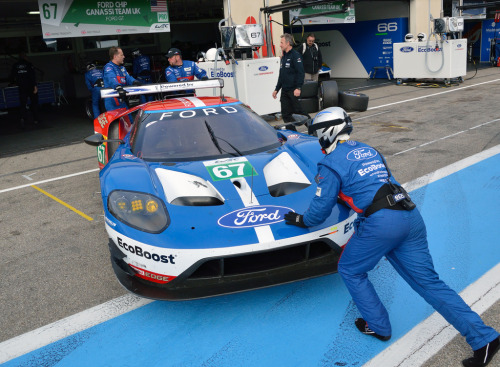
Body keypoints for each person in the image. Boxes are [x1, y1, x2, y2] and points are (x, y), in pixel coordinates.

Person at [284, 107, 500, 367]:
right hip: (409, 215)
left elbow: (319, 212)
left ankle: (378, 326)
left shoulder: (329, 163)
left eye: (318, 135)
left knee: (350, 269)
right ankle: (485, 338)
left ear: (326, 133)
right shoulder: (369, 150)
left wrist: (300, 220)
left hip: (382, 224)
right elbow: (386, 182)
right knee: (430, 283)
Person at [272, 34, 309, 132]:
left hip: (293, 90)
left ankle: (313, 128)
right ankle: (292, 134)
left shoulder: (295, 55)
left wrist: (298, 88)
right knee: (286, 114)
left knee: (299, 112)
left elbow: (300, 73)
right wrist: (276, 89)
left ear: (288, 43)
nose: (280, 45)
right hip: (284, 91)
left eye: (281, 42)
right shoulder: (284, 57)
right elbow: (282, 75)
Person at [103, 46, 141, 112]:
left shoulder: (122, 68)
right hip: (112, 101)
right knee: (117, 122)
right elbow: (111, 79)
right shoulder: (109, 67)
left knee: (129, 120)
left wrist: (135, 82)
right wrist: (118, 87)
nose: (124, 57)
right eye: (122, 55)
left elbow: (128, 78)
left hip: (122, 99)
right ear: (115, 56)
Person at [10, 52, 39, 128]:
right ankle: (36, 119)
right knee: (34, 103)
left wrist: (14, 82)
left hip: (22, 87)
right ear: (25, 57)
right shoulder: (29, 64)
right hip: (30, 86)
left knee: (23, 103)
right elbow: (32, 76)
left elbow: (12, 76)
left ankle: (23, 117)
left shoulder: (15, 65)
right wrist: (35, 86)